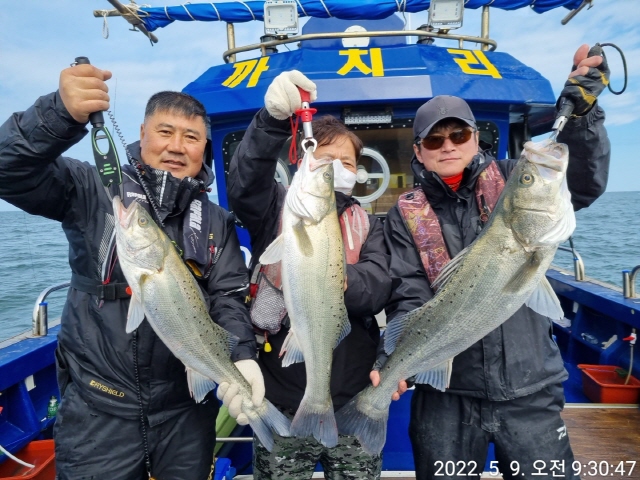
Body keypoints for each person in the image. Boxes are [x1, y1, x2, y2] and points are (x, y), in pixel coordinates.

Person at [0, 62, 264, 479]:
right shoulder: (92, 189)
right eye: (165, 132)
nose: (177, 146)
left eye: (191, 137)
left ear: (204, 149)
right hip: (98, 409)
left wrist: (241, 357)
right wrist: (58, 115)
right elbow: (8, 169)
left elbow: (228, 297)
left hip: (185, 412)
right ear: (141, 135)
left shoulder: (216, 220)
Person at [373, 44, 611, 480]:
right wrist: (394, 361)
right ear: (420, 151)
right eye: (434, 140)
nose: (448, 146)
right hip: (444, 394)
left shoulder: (514, 179)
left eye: (458, 135)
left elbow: (584, 180)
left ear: (475, 138)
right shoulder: (404, 214)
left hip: (529, 388)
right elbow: (408, 290)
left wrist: (583, 117)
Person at [227, 70, 392, 479]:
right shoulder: (277, 211)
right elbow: (245, 184)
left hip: (354, 395)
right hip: (282, 397)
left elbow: (379, 285)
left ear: (359, 172)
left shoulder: (372, 225)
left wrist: (341, 279)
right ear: (302, 160)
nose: (336, 170)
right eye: (326, 160)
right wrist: (268, 122)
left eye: (347, 162)